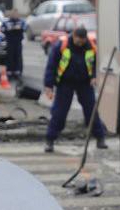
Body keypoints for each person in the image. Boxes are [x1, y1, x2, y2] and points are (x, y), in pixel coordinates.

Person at [44, 25, 107, 153]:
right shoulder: (61, 45)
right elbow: (51, 65)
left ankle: (100, 138)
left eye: (82, 40)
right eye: (78, 40)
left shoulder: (91, 47)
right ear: (73, 36)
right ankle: (50, 140)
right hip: (65, 83)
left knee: (91, 111)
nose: (80, 43)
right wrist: (48, 85)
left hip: (84, 83)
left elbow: (96, 64)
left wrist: (94, 77)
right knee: (59, 112)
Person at [0, 8, 27, 87]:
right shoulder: (6, 22)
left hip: (18, 42)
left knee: (18, 57)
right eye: (13, 14)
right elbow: (2, 29)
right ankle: (9, 72)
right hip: (10, 42)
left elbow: (25, 28)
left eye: (16, 14)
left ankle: (18, 72)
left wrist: (19, 28)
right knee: (10, 57)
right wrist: (10, 29)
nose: (15, 15)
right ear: (11, 14)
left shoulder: (21, 21)